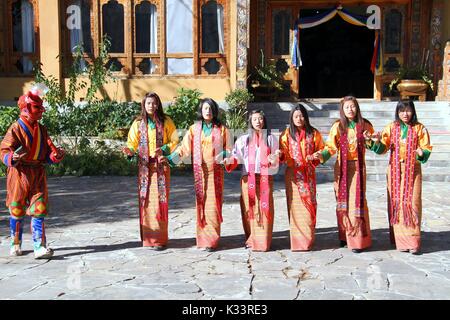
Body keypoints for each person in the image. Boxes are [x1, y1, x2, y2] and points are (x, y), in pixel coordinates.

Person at [1, 89, 65, 258]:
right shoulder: (15, 128)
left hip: (37, 172)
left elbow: (47, 154)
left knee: (39, 208)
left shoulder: (42, 129)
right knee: (16, 209)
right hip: (19, 173)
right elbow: (4, 150)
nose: (41, 110)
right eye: (37, 107)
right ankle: (15, 243)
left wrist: (55, 155)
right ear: (26, 109)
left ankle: (39, 246)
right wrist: (11, 157)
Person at [167, 98, 231, 252]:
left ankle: (212, 241)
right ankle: (203, 240)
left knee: (213, 205)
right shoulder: (194, 129)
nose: (207, 111)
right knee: (201, 204)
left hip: (215, 172)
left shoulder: (222, 129)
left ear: (214, 111)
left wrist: (223, 154)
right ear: (201, 111)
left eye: (210, 108)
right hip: (200, 173)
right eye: (205, 108)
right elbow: (184, 148)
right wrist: (170, 159)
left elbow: (229, 149)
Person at [370, 100, 432, 255]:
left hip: (413, 171)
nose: (405, 114)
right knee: (397, 202)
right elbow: (382, 148)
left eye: (408, 110)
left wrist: (422, 153)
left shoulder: (420, 128)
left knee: (412, 203)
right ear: (397, 112)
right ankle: (401, 241)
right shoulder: (391, 128)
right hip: (395, 171)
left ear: (413, 111)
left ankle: (413, 242)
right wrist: (376, 142)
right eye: (402, 111)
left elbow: (426, 148)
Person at [318, 96, 374, 253]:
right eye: (347, 107)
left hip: (357, 168)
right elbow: (330, 147)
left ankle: (358, 239)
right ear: (342, 110)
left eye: (353, 106)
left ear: (357, 108)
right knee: (342, 201)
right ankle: (344, 235)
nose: (350, 109)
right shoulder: (338, 126)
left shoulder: (365, 125)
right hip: (341, 168)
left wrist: (371, 140)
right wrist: (321, 156)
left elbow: (374, 145)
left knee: (356, 201)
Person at [123, 92, 179, 249]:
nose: (151, 106)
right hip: (144, 168)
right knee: (146, 202)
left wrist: (165, 148)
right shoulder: (138, 123)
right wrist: (129, 151)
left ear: (158, 104)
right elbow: (132, 143)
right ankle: (148, 239)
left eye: (154, 103)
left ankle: (160, 239)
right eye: (148, 103)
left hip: (161, 167)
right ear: (144, 105)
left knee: (159, 202)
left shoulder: (166, 121)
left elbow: (175, 140)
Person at [223, 110, 279, 251]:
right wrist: (229, 160)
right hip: (249, 178)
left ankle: (263, 240)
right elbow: (237, 157)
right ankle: (251, 238)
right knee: (250, 208)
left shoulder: (271, 138)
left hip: (266, 177)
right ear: (251, 122)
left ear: (264, 121)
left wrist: (275, 159)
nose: (258, 122)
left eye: (260, 119)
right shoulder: (244, 139)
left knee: (265, 208)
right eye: (255, 119)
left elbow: (276, 156)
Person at [279, 104, 325, 251]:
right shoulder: (286, 134)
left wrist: (318, 155)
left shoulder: (314, 133)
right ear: (292, 118)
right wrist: (280, 155)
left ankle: (307, 240)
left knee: (309, 206)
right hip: (293, 176)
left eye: (301, 116)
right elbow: (282, 152)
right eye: (296, 116)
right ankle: (297, 242)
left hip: (308, 175)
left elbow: (323, 150)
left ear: (306, 117)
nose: (299, 119)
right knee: (295, 208)